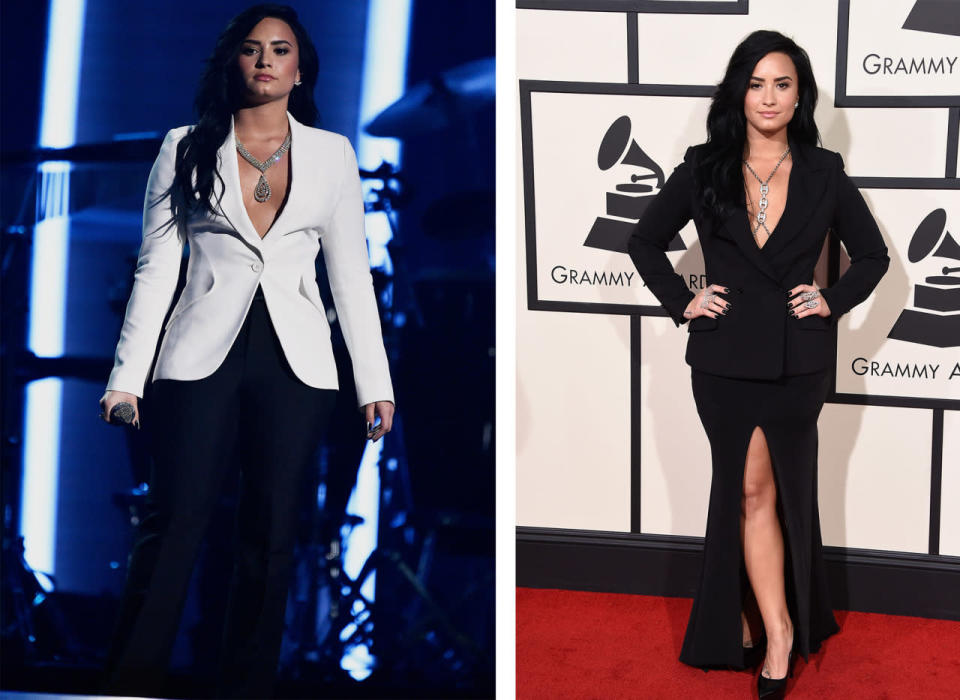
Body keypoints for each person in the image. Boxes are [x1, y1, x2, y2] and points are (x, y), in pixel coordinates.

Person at [98, 5, 395, 697]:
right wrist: (126, 379)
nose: (265, 60)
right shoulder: (185, 146)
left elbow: (349, 277)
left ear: (300, 68)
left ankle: (247, 686)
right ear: (233, 62)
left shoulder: (332, 155)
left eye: (280, 49)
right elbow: (155, 268)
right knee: (175, 522)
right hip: (198, 356)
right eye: (253, 49)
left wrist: (373, 383)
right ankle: (127, 684)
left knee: (271, 533)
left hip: (298, 365)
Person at [628, 30, 888, 698]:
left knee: (770, 491)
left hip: (798, 364)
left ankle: (773, 629)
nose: (769, 97)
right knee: (747, 490)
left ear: (800, 96)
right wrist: (682, 302)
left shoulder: (825, 172)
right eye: (756, 83)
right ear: (738, 92)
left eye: (783, 84)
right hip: (722, 363)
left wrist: (830, 300)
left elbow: (875, 257)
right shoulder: (704, 167)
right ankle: (774, 629)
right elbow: (645, 240)